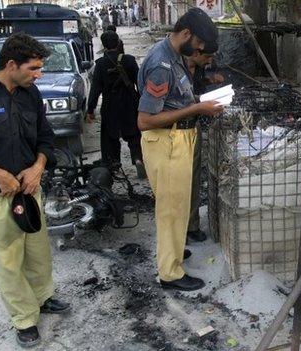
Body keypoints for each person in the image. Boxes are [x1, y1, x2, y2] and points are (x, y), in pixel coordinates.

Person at [0, 33, 70, 348]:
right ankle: (24, 319)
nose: (39, 74)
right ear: (11, 64)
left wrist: (38, 166)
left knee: (38, 251)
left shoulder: (31, 94)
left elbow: (45, 135)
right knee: (8, 260)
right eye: (34, 68)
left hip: (29, 187)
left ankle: (43, 297)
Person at [137, 8, 223, 291]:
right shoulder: (161, 65)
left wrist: (200, 100)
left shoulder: (176, 58)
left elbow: (176, 100)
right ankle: (170, 274)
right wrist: (198, 107)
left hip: (177, 139)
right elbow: (145, 120)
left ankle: (172, 252)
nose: (199, 51)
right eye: (199, 46)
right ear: (186, 34)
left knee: (177, 206)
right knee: (171, 210)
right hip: (166, 141)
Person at [87, 31, 145, 178]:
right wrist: (143, 103)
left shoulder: (100, 64)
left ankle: (113, 165)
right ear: (118, 42)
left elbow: (95, 89)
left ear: (104, 45)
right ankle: (138, 159)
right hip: (129, 104)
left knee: (110, 137)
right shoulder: (130, 60)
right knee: (133, 134)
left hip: (110, 105)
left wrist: (90, 109)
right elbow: (140, 84)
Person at [185, 42, 224, 242]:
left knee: (194, 177)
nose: (209, 61)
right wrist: (199, 105)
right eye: (207, 56)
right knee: (177, 183)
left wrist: (211, 82)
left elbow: (197, 91)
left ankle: (192, 225)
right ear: (196, 52)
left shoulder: (198, 68)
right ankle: (177, 232)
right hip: (174, 131)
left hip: (194, 125)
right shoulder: (174, 66)